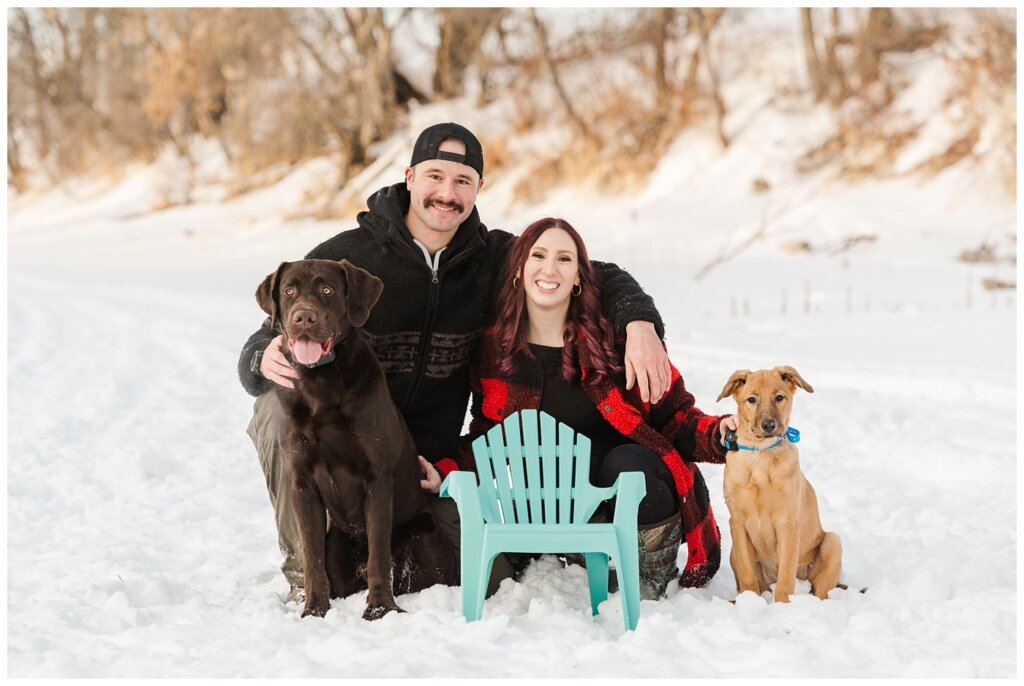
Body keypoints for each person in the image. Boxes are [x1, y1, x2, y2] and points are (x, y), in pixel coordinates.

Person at [238, 123, 671, 602]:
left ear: (478, 189)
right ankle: (308, 565)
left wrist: (640, 324)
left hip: (424, 465)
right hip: (338, 444)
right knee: (277, 405)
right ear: (409, 177)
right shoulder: (349, 255)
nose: (447, 194)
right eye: (435, 177)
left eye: (462, 181)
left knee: (492, 576)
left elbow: (592, 272)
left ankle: (379, 557)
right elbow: (268, 335)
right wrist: (263, 355)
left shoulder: (493, 257)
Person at [423, 217, 737, 598]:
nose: (549, 268)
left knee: (626, 463)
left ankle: (651, 572)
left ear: (578, 279)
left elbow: (676, 417)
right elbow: (490, 438)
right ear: (519, 271)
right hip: (565, 499)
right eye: (537, 255)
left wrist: (720, 433)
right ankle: (580, 548)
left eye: (564, 259)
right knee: (548, 470)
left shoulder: (619, 339)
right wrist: (444, 471)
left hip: (635, 484)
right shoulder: (495, 348)